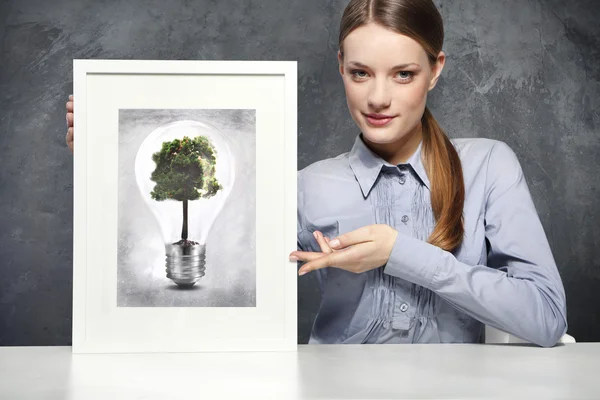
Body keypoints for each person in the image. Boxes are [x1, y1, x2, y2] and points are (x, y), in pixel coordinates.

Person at [66, 0, 567, 347]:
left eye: (403, 74)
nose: (377, 98)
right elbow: (211, 285)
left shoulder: (486, 165)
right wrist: (106, 155)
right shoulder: (306, 185)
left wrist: (403, 254)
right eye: (360, 72)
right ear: (341, 68)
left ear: (435, 69)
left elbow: (545, 318)